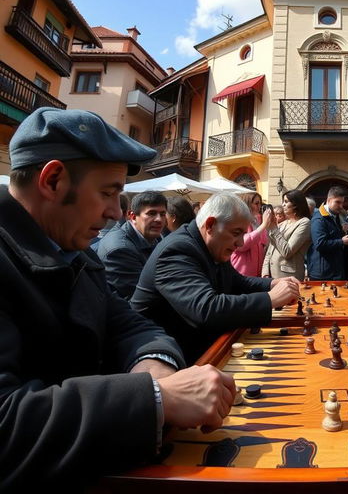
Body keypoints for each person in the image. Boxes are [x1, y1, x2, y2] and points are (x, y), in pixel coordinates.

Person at [0, 107, 235, 490]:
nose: (115, 212)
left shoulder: (77, 253)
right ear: (53, 180)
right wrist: (154, 399)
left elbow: (129, 323)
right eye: (108, 193)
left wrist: (156, 367)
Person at [131, 193, 302, 364]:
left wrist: (273, 283)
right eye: (236, 233)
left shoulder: (209, 245)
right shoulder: (177, 250)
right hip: (169, 360)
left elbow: (237, 282)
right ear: (211, 225)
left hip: (202, 346)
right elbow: (206, 309)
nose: (241, 243)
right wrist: (270, 299)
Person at [96, 190, 167, 300]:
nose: (159, 219)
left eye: (162, 214)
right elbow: (140, 299)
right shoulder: (120, 250)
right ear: (132, 216)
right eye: (151, 213)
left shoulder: (156, 236)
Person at [262, 189, 312, 279]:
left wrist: (274, 228)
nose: (283, 205)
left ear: (295, 204)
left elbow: (287, 252)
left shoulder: (304, 222)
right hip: (271, 274)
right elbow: (270, 249)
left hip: (288, 276)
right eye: (283, 202)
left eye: (286, 202)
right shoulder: (284, 223)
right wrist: (265, 271)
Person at [307, 186, 348, 280]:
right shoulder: (319, 219)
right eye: (337, 202)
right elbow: (320, 244)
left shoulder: (335, 216)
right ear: (329, 200)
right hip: (323, 274)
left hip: (333, 271)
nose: (341, 206)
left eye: (342, 203)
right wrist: (342, 241)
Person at [230, 191, 269, 277]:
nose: (259, 206)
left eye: (260, 203)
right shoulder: (239, 220)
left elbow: (264, 242)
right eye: (256, 203)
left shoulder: (258, 220)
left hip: (257, 271)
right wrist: (263, 226)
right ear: (247, 204)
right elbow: (241, 245)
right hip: (242, 269)